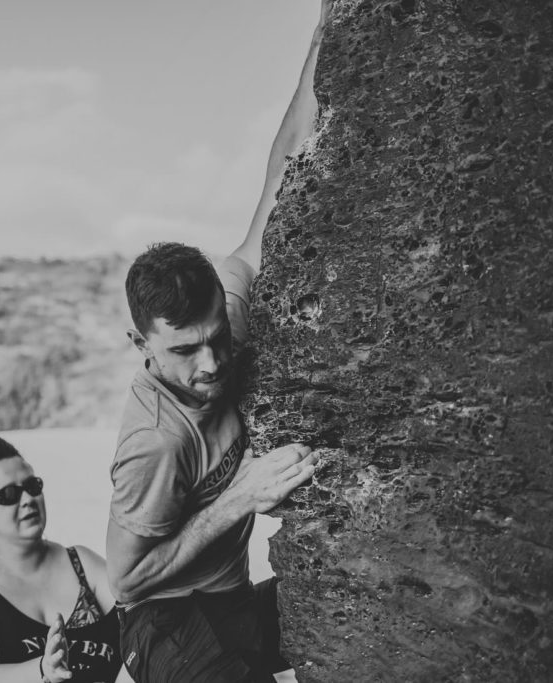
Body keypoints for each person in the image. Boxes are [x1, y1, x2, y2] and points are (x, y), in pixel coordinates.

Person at [105, 2, 331, 682]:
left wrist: (328, 38)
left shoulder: (224, 308)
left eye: (214, 339)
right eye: (183, 351)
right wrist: (241, 497)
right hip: (160, 617)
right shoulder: (154, 440)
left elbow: (278, 178)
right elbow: (128, 578)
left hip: (228, 593)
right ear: (140, 344)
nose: (209, 364)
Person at [0, 431, 128, 683]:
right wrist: (42, 670)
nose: (27, 500)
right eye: (8, 495)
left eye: (32, 486)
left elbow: (144, 619)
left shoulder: (81, 564)